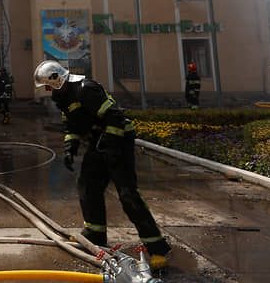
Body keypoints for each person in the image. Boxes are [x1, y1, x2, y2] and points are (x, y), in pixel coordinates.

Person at [33, 60, 172, 269]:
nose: (47, 90)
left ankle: (157, 247)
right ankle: (95, 233)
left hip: (118, 141)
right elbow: (72, 125)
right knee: (88, 185)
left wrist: (112, 149)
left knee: (127, 194)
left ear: (57, 80)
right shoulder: (63, 97)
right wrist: (70, 148)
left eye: (48, 85)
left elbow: (114, 117)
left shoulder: (85, 89)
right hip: (99, 142)